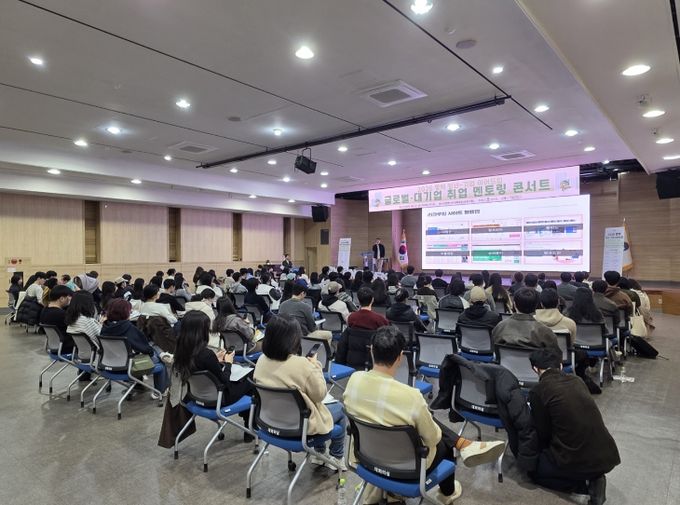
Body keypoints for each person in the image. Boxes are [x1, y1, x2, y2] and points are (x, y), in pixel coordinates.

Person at [344, 326, 506, 504]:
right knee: (443, 445)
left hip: (366, 457)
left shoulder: (354, 380)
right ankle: (447, 493)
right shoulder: (411, 396)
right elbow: (433, 437)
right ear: (400, 357)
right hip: (407, 466)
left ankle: (464, 445)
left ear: (372, 351)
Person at [528, 349, 620, 504]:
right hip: (607, 454)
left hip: (575, 458)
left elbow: (544, 432)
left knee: (534, 471)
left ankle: (585, 486)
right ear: (560, 366)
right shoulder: (577, 381)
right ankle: (594, 477)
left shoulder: (538, 391)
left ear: (535, 369)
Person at [254, 315, 346, 469]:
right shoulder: (302, 364)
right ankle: (336, 457)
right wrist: (315, 365)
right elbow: (320, 394)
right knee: (340, 409)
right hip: (300, 427)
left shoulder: (261, 360)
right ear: (294, 339)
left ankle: (319, 453)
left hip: (269, 421)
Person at [174, 311, 255, 441]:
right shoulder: (206, 354)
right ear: (201, 331)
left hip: (195, 397)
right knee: (250, 380)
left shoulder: (181, 352)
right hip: (219, 399)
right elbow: (225, 380)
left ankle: (248, 424)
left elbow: (200, 365)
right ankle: (249, 428)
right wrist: (228, 362)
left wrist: (215, 360)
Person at [100, 299, 168, 397]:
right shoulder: (128, 327)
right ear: (125, 312)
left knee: (136, 354)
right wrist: (152, 352)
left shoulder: (105, 326)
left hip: (108, 365)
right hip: (128, 367)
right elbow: (144, 348)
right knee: (160, 361)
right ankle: (161, 391)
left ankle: (138, 385)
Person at [492, 288, 560, 355]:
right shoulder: (546, 332)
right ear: (536, 305)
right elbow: (554, 356)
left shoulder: (499, 327)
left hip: (505, 362)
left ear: (514, 304)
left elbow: (495, 350)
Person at [40, 285, 74, 351]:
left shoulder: (44, 310)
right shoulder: (62, 314)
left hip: (54, 346)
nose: (70, 299)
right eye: (69, 297)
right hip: (67, 347)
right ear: (62, 299)